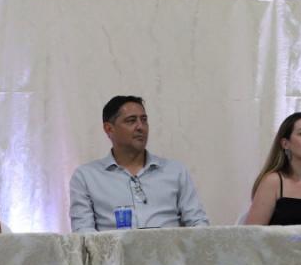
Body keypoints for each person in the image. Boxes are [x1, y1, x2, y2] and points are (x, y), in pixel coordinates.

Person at [69, 95, 210, 231]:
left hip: (170, 248)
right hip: (116, 248)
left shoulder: (175, 171)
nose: (140, 127)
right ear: (109, 129)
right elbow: (83, 233)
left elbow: (198, 223)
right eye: (131, 121)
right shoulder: (86, 177)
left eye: (144, 120)